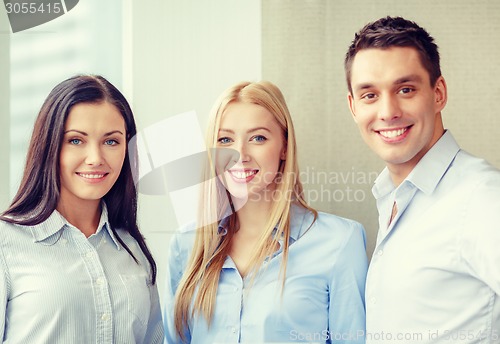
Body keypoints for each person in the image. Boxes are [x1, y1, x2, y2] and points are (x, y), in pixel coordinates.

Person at [163, 81, 368, 343]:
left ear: (284, 146)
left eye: (258, 138)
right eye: (225, 140)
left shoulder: (339, 241)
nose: (240, 155)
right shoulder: (185, 244)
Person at [345, 16, 500, 343]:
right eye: (370, 95)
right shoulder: (392, 197)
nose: (388, 111)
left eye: (405, 89)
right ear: (353, 107)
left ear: (438, 93)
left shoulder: (482, 198)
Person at [0, 75, 164, 343]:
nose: (95, 159)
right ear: (49, 145)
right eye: (76, 140)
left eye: (111, 141)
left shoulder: (133, 249)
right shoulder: (6, 244)